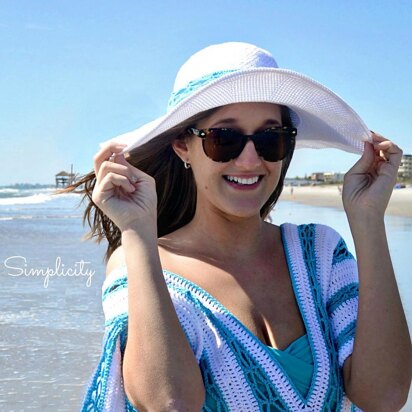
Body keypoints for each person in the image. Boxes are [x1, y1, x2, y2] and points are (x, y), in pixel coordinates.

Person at [63, 42, 411, 411]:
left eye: (269, 138)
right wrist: (136, 230)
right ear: (183, 146)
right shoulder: (142, 263)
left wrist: (369, 219)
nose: (249, 160)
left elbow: (384, 397)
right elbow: (168, 402)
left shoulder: (320, 253)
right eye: (223, 139)